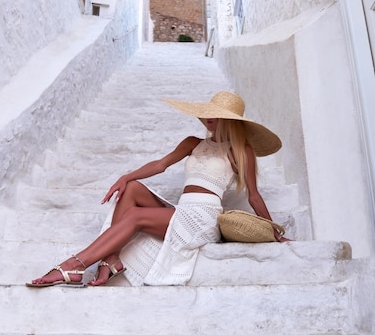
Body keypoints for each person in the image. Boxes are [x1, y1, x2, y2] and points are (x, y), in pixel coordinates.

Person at [27, 90, 287, 288]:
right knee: (131, 189)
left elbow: (254, 195)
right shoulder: (192, 142)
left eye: (216, 114)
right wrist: (125, 176)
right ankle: (111, 259)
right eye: (208, 111)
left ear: (229, 121)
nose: (208, 118)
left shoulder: (241, 152)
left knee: (135, 216)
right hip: (182, 211)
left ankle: (75, 265)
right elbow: (161, 165)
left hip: (202, 219)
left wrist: (273, 229)